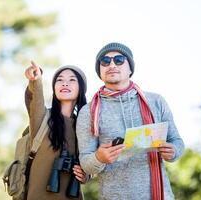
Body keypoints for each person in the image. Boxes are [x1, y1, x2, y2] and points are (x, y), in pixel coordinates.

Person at [76, 42, 185, 200]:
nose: (112, 64)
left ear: (130, 68)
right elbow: (85, 162)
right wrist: (99, 158)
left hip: (160, 196)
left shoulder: (155, 101)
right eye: (105, 61)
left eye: (119, 59)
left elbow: (177, 141)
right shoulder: (89, 111)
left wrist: (173, 151)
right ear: (100, 70)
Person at [24, 61, 88, 199]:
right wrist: (36, 79)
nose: (65, 83)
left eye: (72, 80)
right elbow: (35, 98)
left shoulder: (85, 126)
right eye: (59, 80)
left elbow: (92, 159)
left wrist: (86, 175)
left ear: (81, 89)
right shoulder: (42, 118)